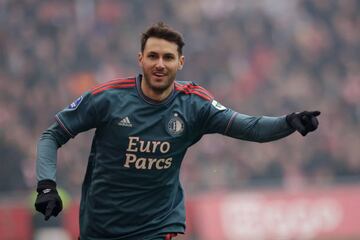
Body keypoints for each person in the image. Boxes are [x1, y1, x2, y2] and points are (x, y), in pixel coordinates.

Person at [34, 22, 320, 240]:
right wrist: (46, 185)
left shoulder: (194, 104)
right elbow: (52, 135)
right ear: (141, 59)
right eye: (153, 56)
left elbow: (249, 127)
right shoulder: (109, 98)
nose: (160, 64)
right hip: (101, 226)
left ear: (180, 62)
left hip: (159, 225)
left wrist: (288, 122)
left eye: (168, 58)